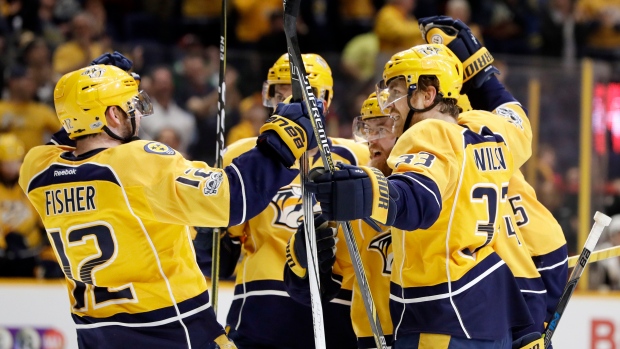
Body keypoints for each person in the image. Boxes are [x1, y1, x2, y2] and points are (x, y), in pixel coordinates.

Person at [18, 61, 321, 348]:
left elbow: (67, 136)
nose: (136, 113)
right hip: (172, 330)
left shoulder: (37, 169)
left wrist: (85, 93)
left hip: (94, 333)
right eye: (129, 106)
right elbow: (232, 198)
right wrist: (283, 137)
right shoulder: (135, 162)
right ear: (113, 115)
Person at [308, 42, 536, 348]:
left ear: (428, 94)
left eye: (397, 92)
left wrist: (366, 190)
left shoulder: (427, 132)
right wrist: (480, 68)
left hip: (440, 316)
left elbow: (419, 199)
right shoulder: (490, 131)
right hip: (489, 317)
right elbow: (516, 117)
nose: (388, 106)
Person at [195, 53, 363, 349]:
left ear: (325, 99)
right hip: (261, 309)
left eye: (295, 92)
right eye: (278, 91)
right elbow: (221, 257)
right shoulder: (243, 154)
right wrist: (211, 232)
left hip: (337, 306)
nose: (286, 102)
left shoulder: (358, 156)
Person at [417, 16, 569, 339]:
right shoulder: (496, 144)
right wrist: (483, 76)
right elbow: (551, 248)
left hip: (457, 316)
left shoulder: (421, 157)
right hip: (511, 312)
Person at [285, 91, 397, 349]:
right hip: (375, 340)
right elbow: (315, 292)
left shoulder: (447, 182)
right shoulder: (357, 202)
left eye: (382, 128)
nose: (371, 142)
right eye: (367, 130)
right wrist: (304, 260)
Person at [0, 134, 45, 277]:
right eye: (7, 163)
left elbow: (46, 224)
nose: (13, 168)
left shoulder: (31, 184)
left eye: (16, 162)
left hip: (31, 251)